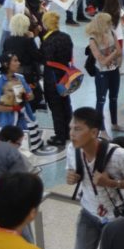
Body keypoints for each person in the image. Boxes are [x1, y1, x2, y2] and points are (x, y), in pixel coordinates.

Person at [64, 107, 124, 249]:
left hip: (117, 218)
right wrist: (70, 178)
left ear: (94, 132)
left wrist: (112, 183)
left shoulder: (119, 156)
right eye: (71, 128)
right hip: (89, 212)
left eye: (77, 129)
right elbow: (70, 172)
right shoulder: (72, 150)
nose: (72, 134)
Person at [86, 12, 124, 135]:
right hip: (102, 73)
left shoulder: (111, 33)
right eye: (108, 23)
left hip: (114, 70)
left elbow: (119, 51)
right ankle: (101, 129)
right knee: (101, 101)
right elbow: (102, 61)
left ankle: (114, 124)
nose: (110, 24)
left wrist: (111, 57)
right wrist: (113, 54)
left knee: (114, 98)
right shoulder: (93, 40)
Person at [40, 11, 74, 147]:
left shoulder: (47, 40)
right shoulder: (66, 37)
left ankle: (60, 136)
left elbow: (44, 58)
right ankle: (69, 131)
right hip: (66, 75)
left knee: (55, 106)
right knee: (66, 103)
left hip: (51, 77)